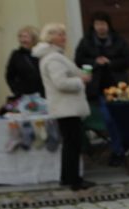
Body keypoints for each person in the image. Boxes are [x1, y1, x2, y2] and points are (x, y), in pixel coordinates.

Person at [33, 24, 94, 191]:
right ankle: (73, 180)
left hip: (66, 107)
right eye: (60, 35)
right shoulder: (53, 59)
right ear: (51, 37)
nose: (64, 38)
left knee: (71, 143)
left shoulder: (55, 56)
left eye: (64, 35)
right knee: (72, 143)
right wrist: (80, 81)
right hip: (66, 107)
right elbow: (60, 83)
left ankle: (69, 177)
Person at [75, 11, 129, 166]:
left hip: (117, 87)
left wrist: (111, 62)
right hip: (96, 89)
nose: (101, 27)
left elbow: (128, 60)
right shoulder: (86, 42)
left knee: (119, 119)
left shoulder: (118, 40)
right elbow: (79, 60)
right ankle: (118, 150)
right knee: (108, 119)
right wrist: (95, 62)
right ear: (93, 26)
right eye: (97, 24)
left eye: (103, 24)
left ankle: (121, 149)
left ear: (108, 25)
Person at [5, 26, 44, 98]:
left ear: (34, 38)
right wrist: (17, 91)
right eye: (20, 37)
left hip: (44, 94)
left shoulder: (42, 53)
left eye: (25, 37)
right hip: (25, 95)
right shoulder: (16, 55)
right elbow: (10, 76)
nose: (22, 40)